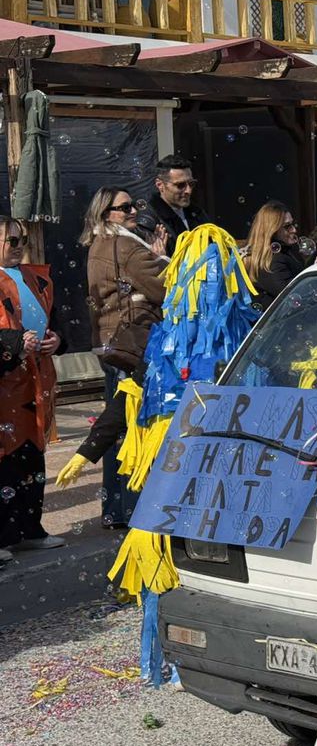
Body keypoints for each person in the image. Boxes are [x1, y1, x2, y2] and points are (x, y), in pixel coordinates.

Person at [57, 188, 168, 528]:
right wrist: (162, 257)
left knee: (117, 423)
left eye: (133, 205)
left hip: (112, 345)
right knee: (133, 423)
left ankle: (116, 509)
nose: (133, 211)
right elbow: (165, 286)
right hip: (134, 345)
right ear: (106, 214)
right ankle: (134, 509)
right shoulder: (125, 245)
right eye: (124, 207)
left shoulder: (100, 243)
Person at [0, 217, 65, 556]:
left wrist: (57, 340)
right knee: (5, 459)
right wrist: (13, 344)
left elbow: (54, 321)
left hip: (34, 379)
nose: (19, 246)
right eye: (11, 240)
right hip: (5, 381)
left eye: (22, 239)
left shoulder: (34, 277)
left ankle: (30, 528)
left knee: (31, 454)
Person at [135, 155, 207, 257]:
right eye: (180, 185)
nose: (188, 191)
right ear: (160, 185)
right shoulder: (148, 221)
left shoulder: (196, 212)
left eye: (191, 184)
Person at [243, 201, 304, 311]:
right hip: (280, 319)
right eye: (287, 226)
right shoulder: (272, 260)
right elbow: (293, 293)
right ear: (272, 230)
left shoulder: (284, 251)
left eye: (293, 224)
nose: (294, 230)